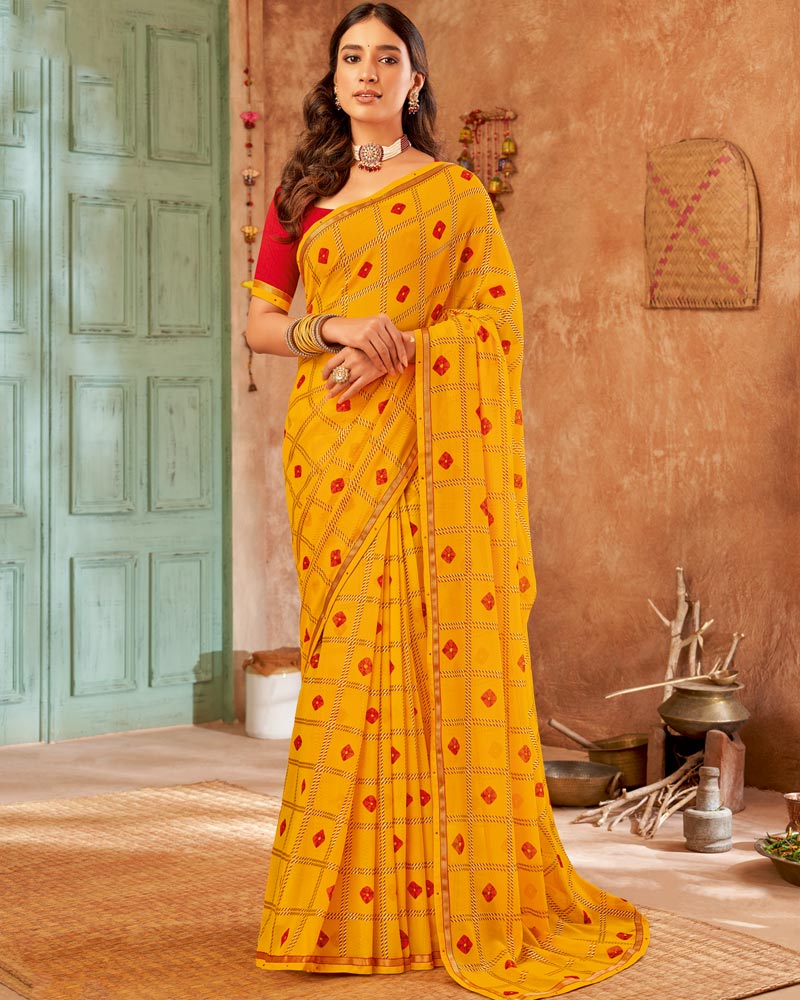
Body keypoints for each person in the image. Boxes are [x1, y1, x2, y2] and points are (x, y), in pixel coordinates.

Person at [243, 4, 649, 996]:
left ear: (414, 80)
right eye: (351, 57)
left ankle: (437, 901)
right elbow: (259, 326)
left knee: (429, 664)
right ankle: (335, 907)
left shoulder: (456, 194)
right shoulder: (302, 193)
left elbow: (497, 326)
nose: (367, 73)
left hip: (426, 453)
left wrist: (410, 348)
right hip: (333, 450)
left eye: (387, 58)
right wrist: (338, 329)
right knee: (347, 667)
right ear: (334, 77)